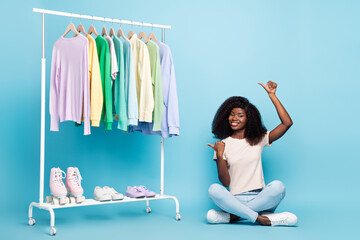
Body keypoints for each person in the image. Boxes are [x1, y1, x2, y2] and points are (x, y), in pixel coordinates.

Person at [206, 81, 298, 226]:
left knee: (278, 187)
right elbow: (225, 182)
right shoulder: (223, 145)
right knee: (213, 189)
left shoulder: (259, 138)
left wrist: (272, 95)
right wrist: (219, 154)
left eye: (240, 115)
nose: (234, 118)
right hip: (234, 200)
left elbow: (287, 123)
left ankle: (236, 216)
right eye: (231, 114)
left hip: (261, 199)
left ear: (249, 119)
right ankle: (261, 218)